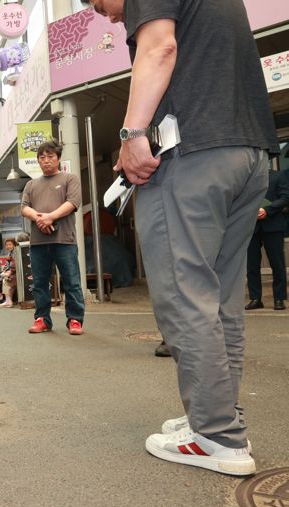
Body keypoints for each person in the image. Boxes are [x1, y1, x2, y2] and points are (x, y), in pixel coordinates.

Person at [86, 0, 278, 475]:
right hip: (249, 153)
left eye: (97, 3)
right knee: (221, 300)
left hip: (193, 157)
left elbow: (159, 47)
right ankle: (219, 419)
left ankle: (217, 436)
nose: (105, 15)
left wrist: (133, 135)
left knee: (184, 296)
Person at [21, 140, 84, 335]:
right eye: (42, 157)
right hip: (39, 242)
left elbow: (73, 202)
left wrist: (51, 217)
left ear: (58, 158)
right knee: (39, 283)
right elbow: (24, 207)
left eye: (50, 157)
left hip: (64, 240)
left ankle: (75, 319)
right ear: (38, 161)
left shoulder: (69, 179)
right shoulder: (31, 184)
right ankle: (42, 319)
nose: (46, 161)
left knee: (71, 281)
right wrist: (40, 218)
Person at [245, 169, 289, 311]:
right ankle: (255, 298)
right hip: (251, 226)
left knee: (277, 264)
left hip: (273, 225)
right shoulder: (247, 178)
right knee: (251, 265)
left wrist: (267, 210)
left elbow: (285, 197)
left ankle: (279, 299)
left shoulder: (278, 176)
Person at [0, 239, 18, 308]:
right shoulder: (10, 253)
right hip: (14, 272)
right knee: (4, 277)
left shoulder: (16, 252)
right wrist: (5, 271)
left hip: (17, 274)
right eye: (7, 245)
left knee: (6, 279)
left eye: (10, 244)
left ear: (14, 245)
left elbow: (15, 265)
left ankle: (8, 300)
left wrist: (9, 272)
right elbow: (8, 265)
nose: (8, 246)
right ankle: (7, 300)